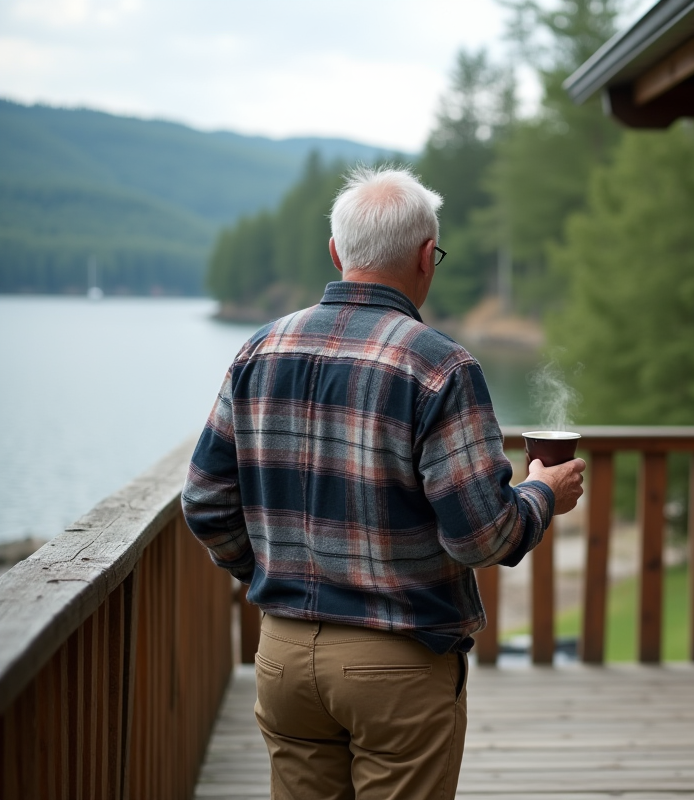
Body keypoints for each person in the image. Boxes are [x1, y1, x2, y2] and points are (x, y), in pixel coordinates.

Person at [181, 165, 585, 800]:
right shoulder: (441, 366)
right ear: (428, 257)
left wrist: (266, 573)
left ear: (337, 252)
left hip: (282, 652)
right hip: (397, 662)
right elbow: (482, 536)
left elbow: (204, 501)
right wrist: (541, 493)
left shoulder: (260, 350)